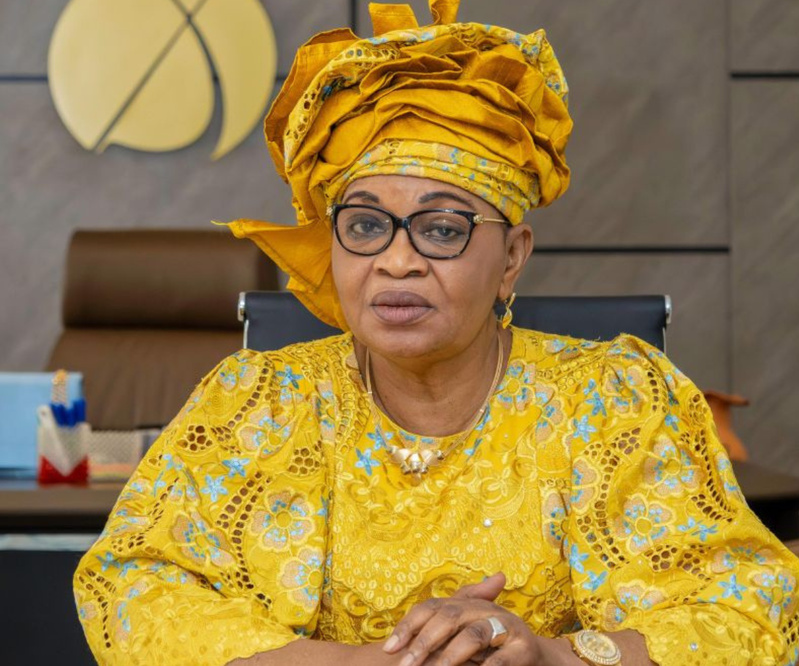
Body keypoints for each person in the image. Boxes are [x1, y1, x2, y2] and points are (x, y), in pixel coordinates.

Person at [74, 1, 799, 664]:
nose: (396, 261)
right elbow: (136, 586)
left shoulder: (614, 400)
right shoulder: (258, 399)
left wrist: (552, 657)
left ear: (511, 258)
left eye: (442, 229)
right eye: (365, 226)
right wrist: (362, 663)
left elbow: (743, 608)